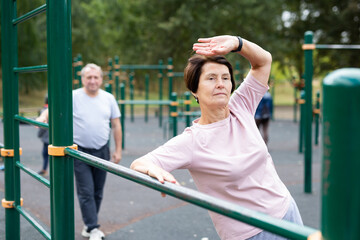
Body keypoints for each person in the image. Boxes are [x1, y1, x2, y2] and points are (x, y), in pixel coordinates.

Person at [130, 35, 303, 240]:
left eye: (225, 78)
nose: (220, 84)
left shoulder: (241, 106)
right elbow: (140, 163)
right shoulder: (192, 141)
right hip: (251, 233)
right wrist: (155, 170)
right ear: (194, 90)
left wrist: (237, 43)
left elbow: (263, 61)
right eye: (211, 78)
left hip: (287, 212)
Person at [37, 63, 122, 240]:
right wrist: (43, 117)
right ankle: (93, 227)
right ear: (82, 79)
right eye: (88, 77)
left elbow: (116, 124)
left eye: (95, 77)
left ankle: (89, 225)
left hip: (102, 150)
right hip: (79, 151)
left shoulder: (108, 98)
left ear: (101, 79)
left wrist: (118, 150)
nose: (92, 81)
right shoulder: (73, 96)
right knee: (86, 191)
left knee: (98, 191)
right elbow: (52, 109)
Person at [37, 94, 49, 176]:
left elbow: (42, 127)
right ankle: (44, 169)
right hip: (49, 137)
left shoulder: (44, 110)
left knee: (45, 153)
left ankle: (44, 169)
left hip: (46, 137)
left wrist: (39, 134)